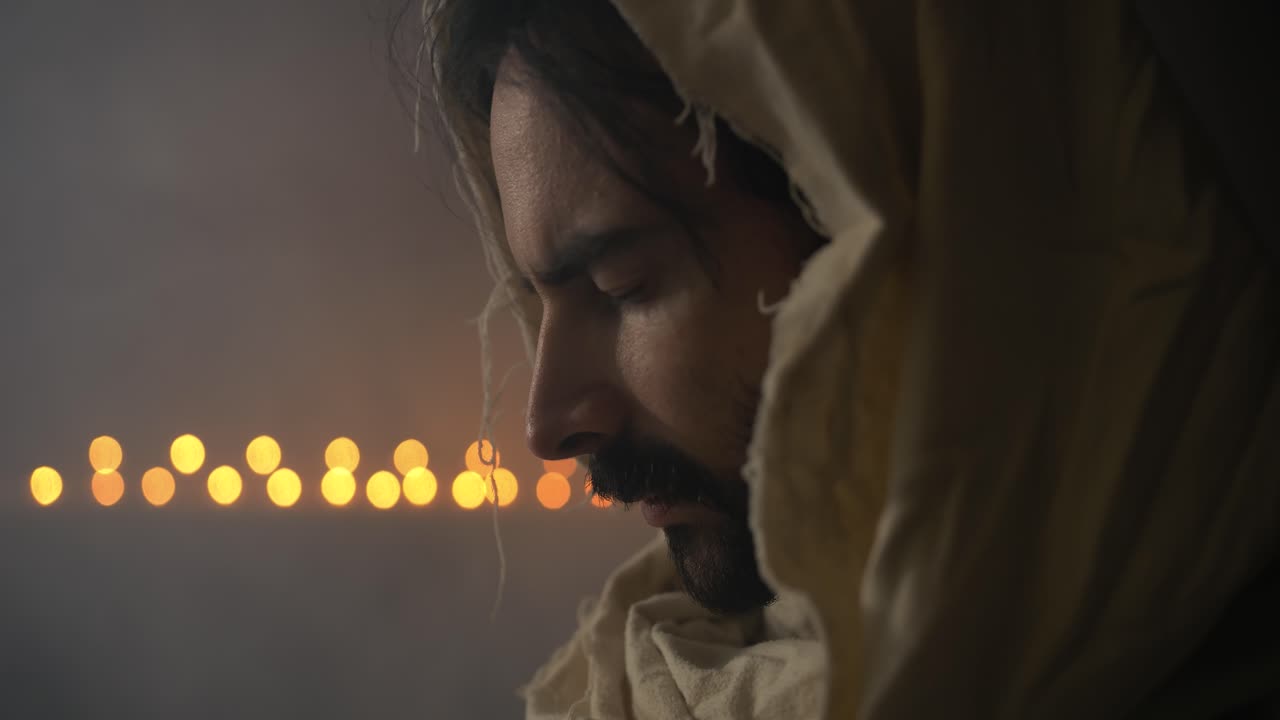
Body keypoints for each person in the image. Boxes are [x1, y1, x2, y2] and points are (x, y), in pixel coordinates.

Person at [407, 0, 1280, 717]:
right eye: (537, 302)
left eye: (622, 286)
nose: (548, 421)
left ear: (898, 232)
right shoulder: (667, 677)